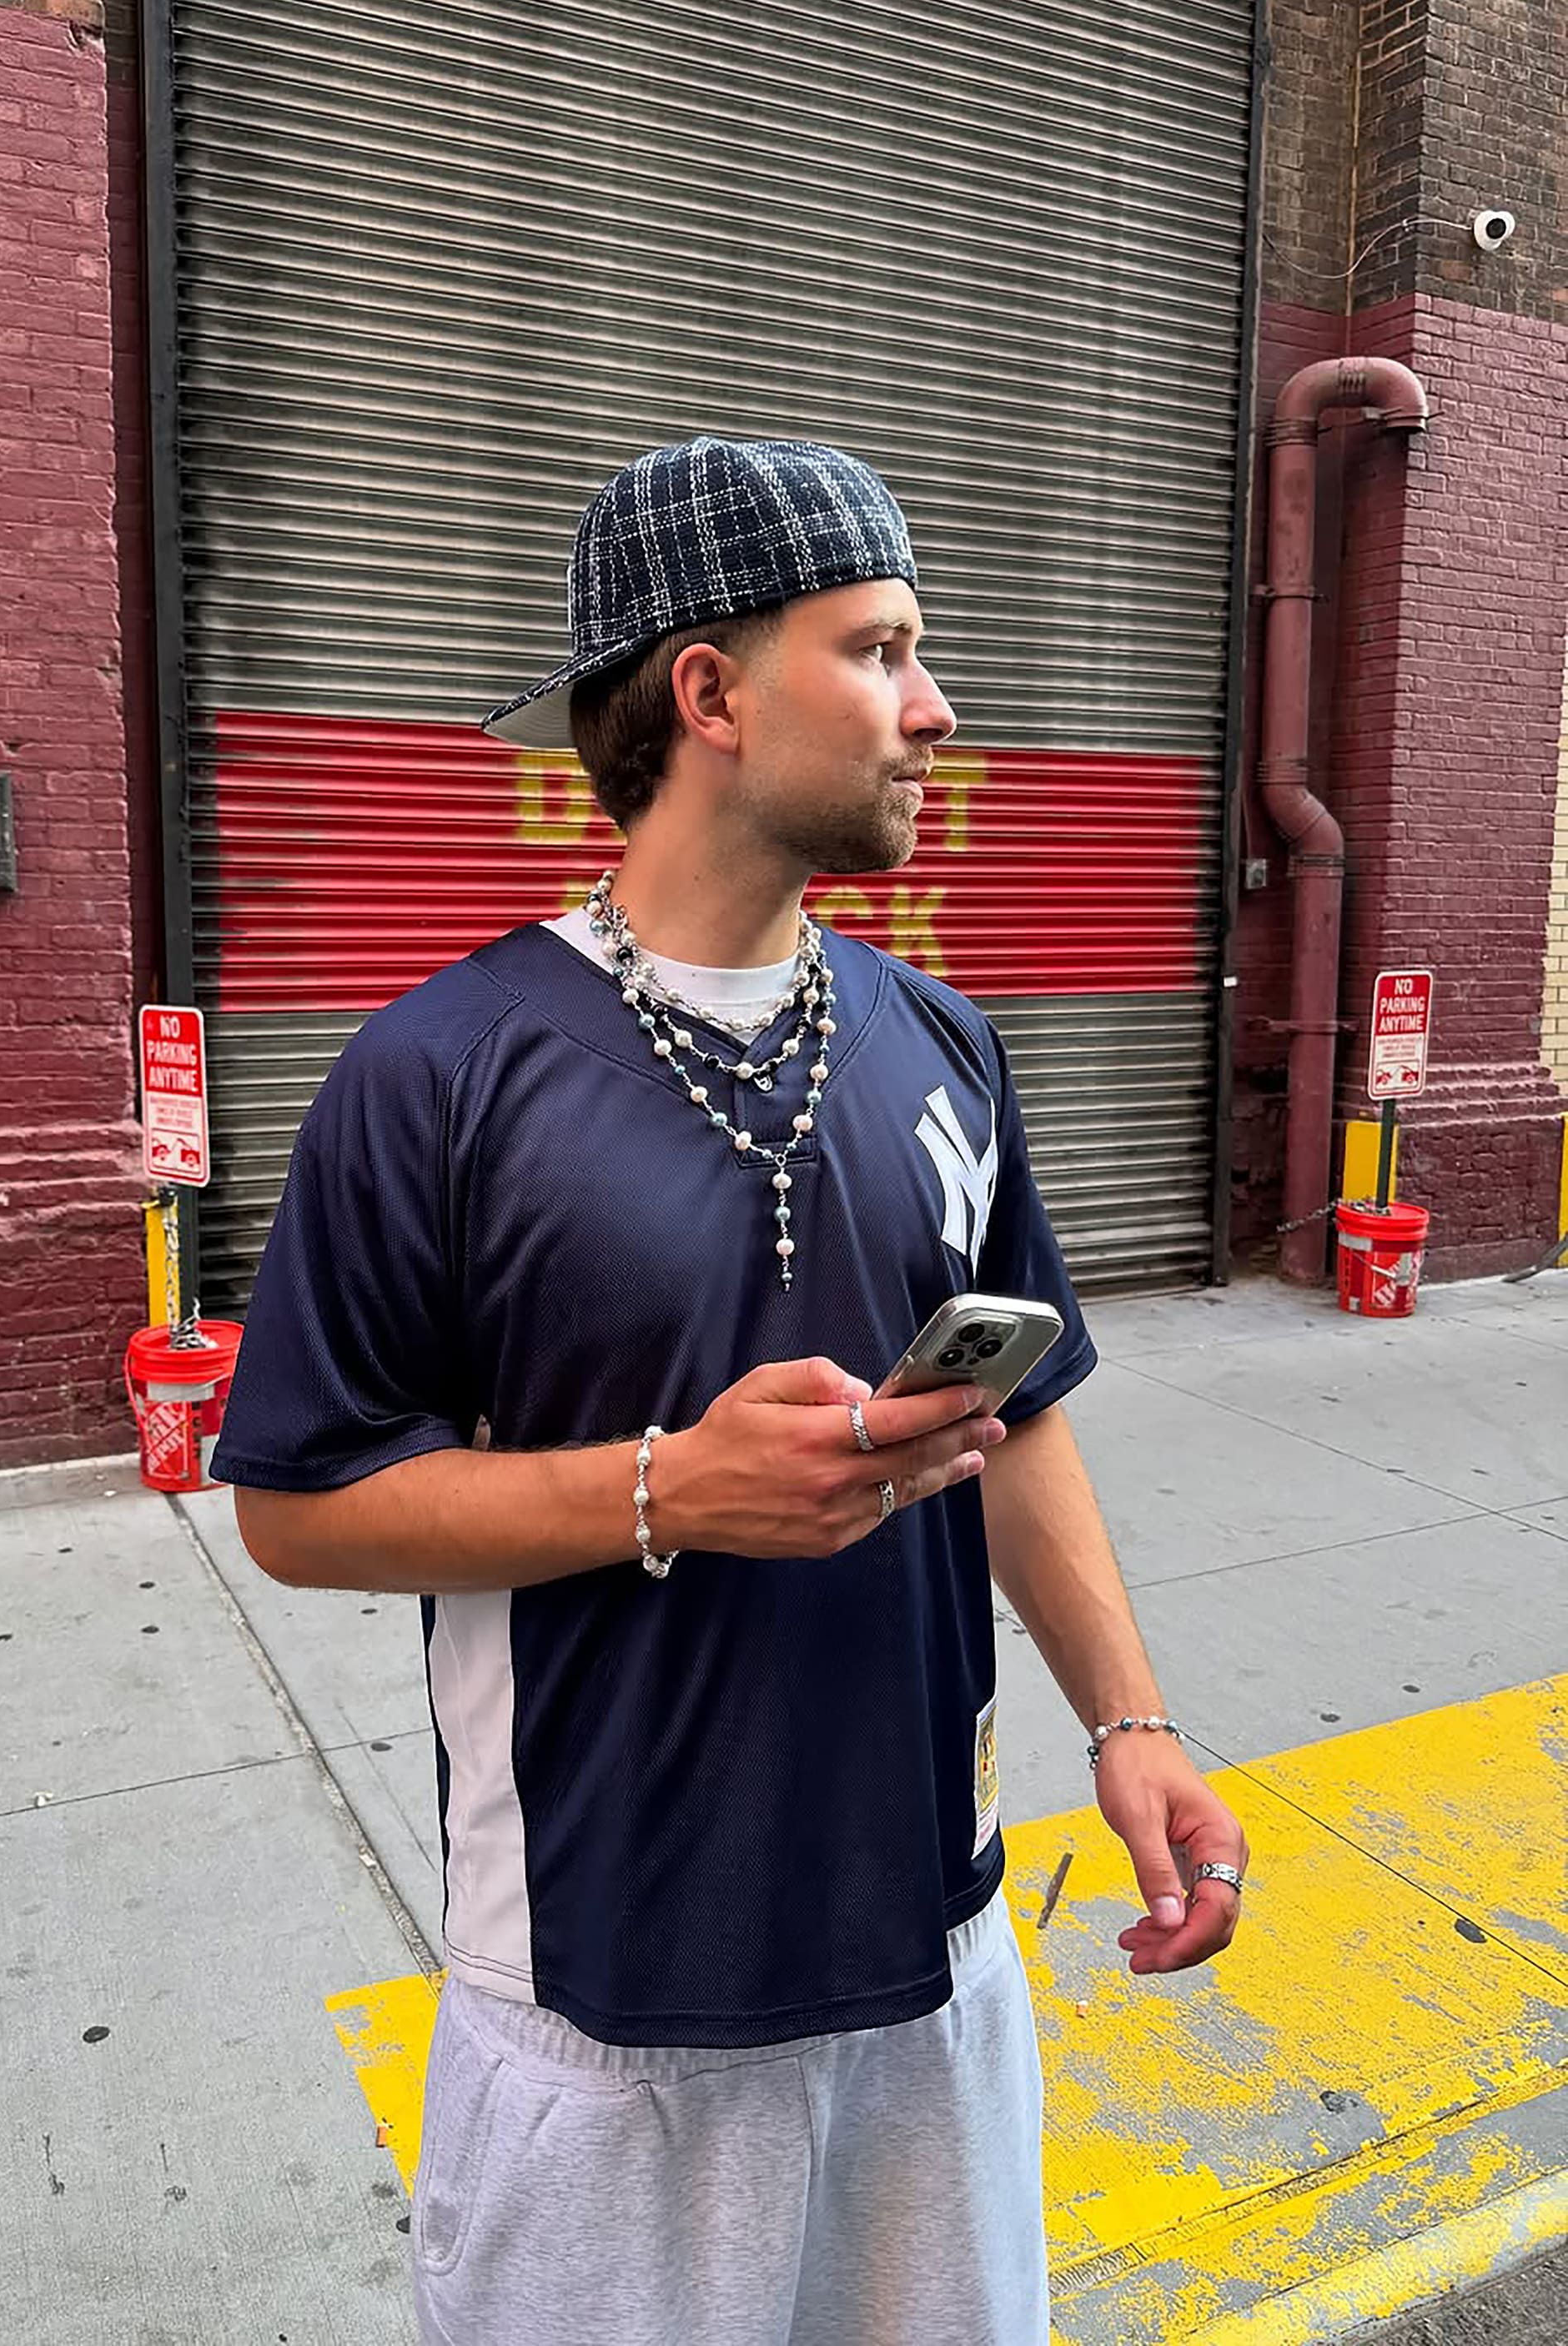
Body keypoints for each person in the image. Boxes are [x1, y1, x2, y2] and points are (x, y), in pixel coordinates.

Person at [213, 436, 1251, 2346]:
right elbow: (295, 1506)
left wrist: (1133, 1720)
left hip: (937, 1967)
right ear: (708, 692)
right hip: (608, 2012)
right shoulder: (436, 1075)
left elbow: (1013, 1417)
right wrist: (664, 1491)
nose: (936, 713)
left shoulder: (942, 1041)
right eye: (881, 651)